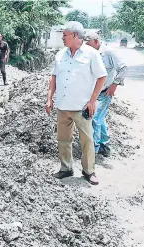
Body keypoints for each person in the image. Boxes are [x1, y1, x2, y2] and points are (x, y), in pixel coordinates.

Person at [45, 21, 108, 185]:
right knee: (63, 139)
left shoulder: (91, 54)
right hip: (62, 105)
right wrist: (49, 98)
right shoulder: (60, 54)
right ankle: (66, 168)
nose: (62, 38)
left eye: (65, 35)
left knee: (86, 140)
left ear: (74, 35)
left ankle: (89, 171)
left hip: (82, 106)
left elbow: (102, 76)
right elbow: (54, 77)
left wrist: (93, 101)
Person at [84, 31, 128, 157]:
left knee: (95, 119)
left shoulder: (108, 53)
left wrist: (115, 84)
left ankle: (94, 149)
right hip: (92, 93)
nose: (86, 47)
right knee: (100, 118)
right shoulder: (89, 53)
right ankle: (104, 144)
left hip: (104, 92)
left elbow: (124, 68)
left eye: (88, 44)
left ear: (96, 42)